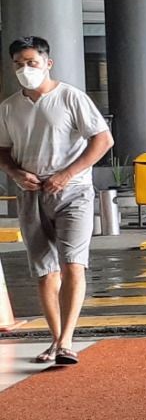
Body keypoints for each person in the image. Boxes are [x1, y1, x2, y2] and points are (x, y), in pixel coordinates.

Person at [0, 36, 113, 365]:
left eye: (31, 62)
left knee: (72, 263)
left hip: (73, 191)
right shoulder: (9, 107)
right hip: (31, 193)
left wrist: (67, 174)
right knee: (44, 271)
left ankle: (66, 342)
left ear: (48, 63)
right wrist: (15, 173)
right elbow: (3, 150)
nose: (25, 69)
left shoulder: (71, 98)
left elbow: (103, 140)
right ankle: (55, 339)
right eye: (18, 64)